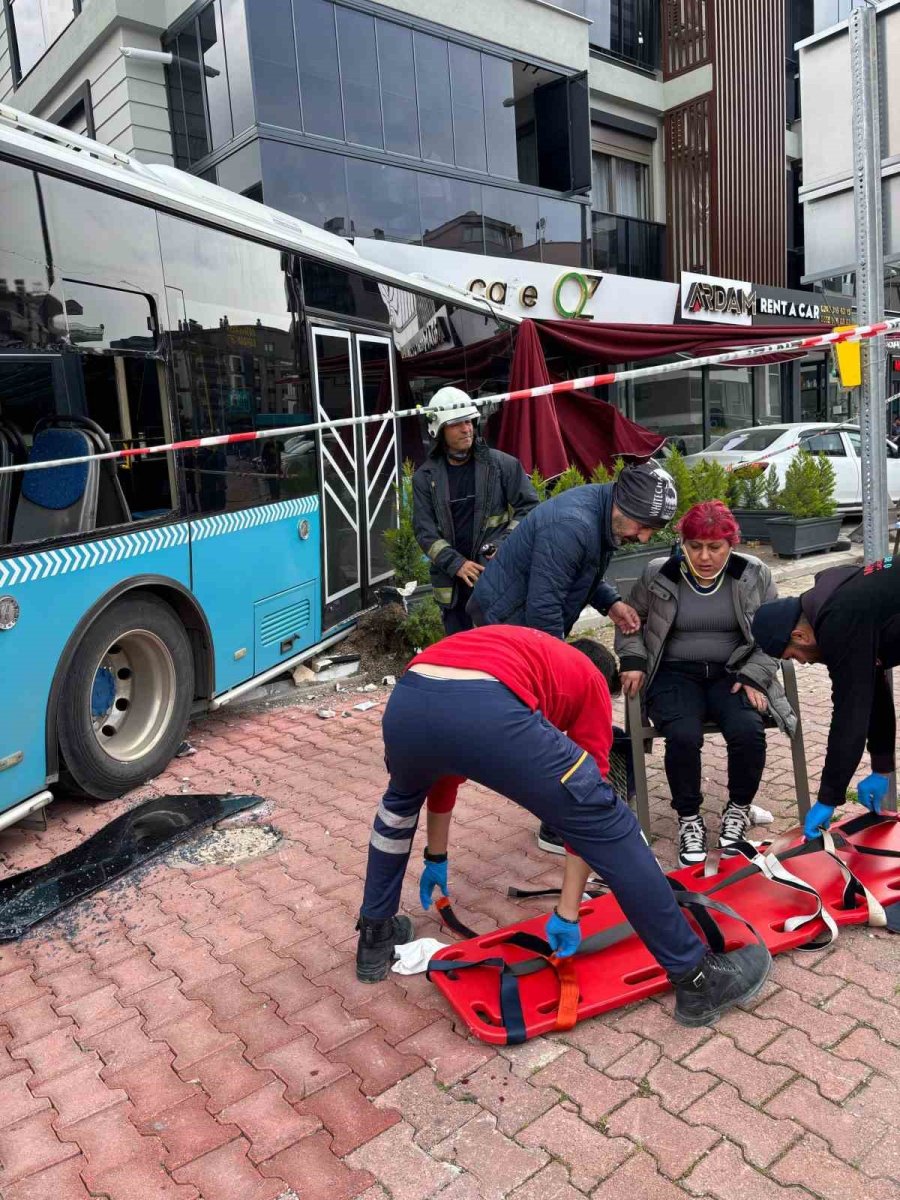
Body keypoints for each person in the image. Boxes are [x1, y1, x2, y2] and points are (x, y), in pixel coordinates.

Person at [355, 625, 771, 1028]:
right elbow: (589, 810)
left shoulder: (527, 649)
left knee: (397, 810)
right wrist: (568, 913)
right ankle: (698, 977)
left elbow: (441, 774)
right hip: (486, 705)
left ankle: (375, 934)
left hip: (410, 699)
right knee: (608, 822)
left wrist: (437, 856)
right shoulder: (591, 680)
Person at [469, 460, 678, 853]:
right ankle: (557, 825)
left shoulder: (603, 514)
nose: (644, 536)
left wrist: (611, 603)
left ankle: (564, 807)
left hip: (528, 615)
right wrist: (559, 679)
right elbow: (544, 606)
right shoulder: (572, 525)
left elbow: (581, 571)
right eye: (642, 526)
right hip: (507, 621)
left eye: (653, 529)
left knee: (553, 723)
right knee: (546, 725)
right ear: (622, 505)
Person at [616, 501, 796, 866]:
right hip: (673, 672)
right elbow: (630, 623)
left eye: (715, 547)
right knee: (683, 735)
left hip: (734, 672)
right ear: (682, 543)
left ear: (731, 544)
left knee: (747, 731)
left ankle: (738, 809)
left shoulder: (754, 573)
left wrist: (755, 674)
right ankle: (689, 819)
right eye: (695, 546)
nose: (704, 556)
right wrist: (633, 660)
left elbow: (775, 634)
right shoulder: (660, 573)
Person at [751, 556, 900, 840]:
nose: (803, 662)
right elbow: (870, 687)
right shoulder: (833, 592)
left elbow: (850, 714)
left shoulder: (839, 620)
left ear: (800, 636)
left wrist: (828, 799)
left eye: (793, 656)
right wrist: (881, 767)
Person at [412, 387, 538, 636]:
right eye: (457, 423)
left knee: (501, 642)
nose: (466, 429)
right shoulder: (425, 478)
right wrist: (456, 563)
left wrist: (503, 544)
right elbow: (425, 532)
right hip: (453, 584)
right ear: (438, 430)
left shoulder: (501, 465)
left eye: (469, 421)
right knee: (461, 647)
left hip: (494, 575)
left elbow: (530, 508)